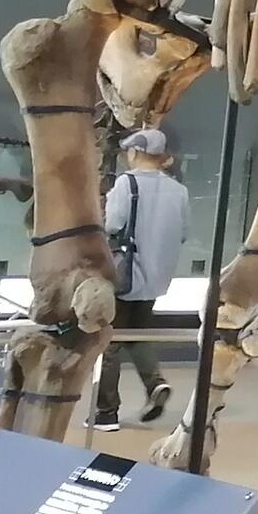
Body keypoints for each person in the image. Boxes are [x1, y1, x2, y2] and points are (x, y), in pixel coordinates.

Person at [90, 128, 191, 432]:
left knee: (110, 341)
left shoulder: (126, 183)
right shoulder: (179, 191)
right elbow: (184, 234)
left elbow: (112, 225)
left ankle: (106, 413)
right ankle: (155, 384)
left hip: (126, 275)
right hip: (155, 278)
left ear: (134, 153)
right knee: (137, 333)